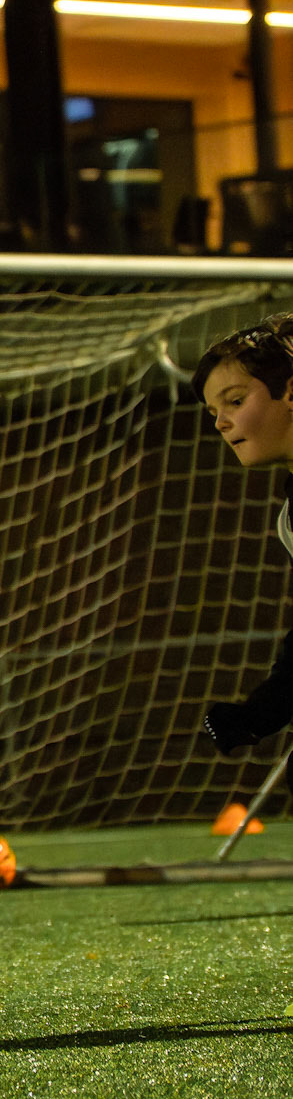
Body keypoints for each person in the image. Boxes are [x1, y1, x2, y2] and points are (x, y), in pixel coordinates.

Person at [195, 314, 293, 765]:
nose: (221, 423)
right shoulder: (288, 518)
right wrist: (262, 711)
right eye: (214, 412)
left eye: (235, 401)